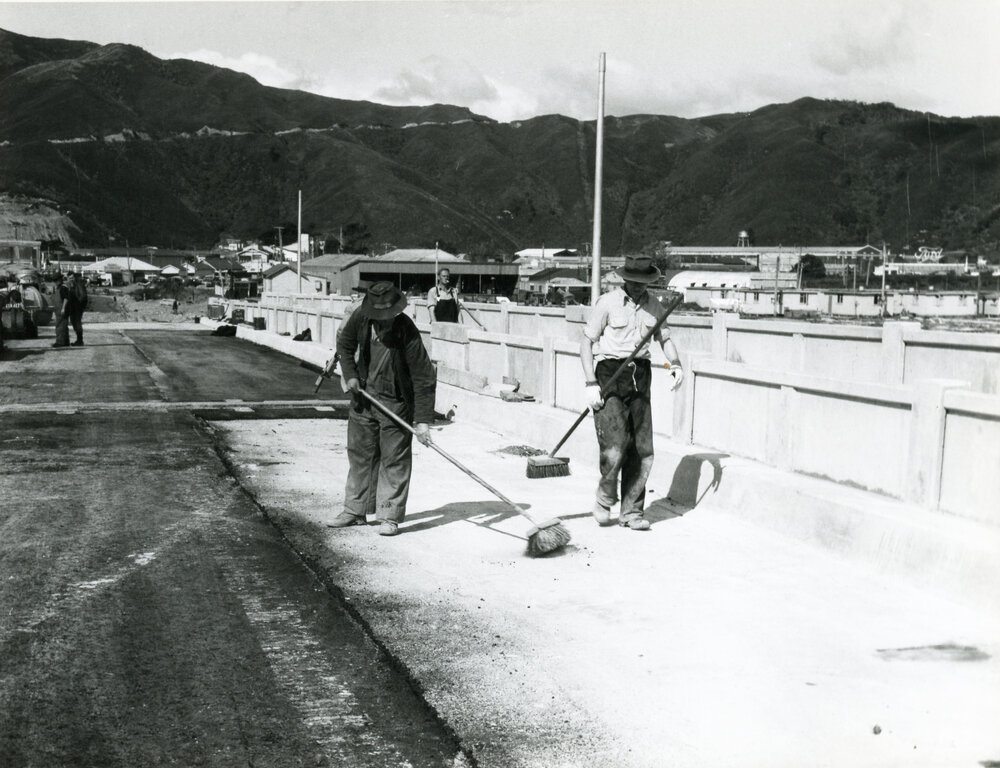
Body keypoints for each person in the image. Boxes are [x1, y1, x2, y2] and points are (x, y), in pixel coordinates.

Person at [579, 254, 684, 531]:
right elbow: (586, 342)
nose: (638, 287)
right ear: (625, 279)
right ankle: (604, 499)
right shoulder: (608, 302)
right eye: (633, 282)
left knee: (641, 449)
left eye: (643, 282)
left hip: (640, 375)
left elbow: (665, 338)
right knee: (615, 447)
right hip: (610, 374)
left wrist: (675, 364)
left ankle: (632, 512)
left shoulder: (654, 306)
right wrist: (590, 383)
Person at [331, 281, 437, 536]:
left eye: (387, 315)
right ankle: (355, 510)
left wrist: (422, 421)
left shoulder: (406, 331)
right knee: (360, 456)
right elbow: (344, 346)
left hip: (396, 402)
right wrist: (351, 375)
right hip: (364, 399)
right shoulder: (361, 318)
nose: (383, 320)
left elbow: (424, 378)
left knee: (394, 459)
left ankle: (389, 515)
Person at [66, 272, 86, 345]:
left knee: (77, 323)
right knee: (73, 322)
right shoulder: (70, 285)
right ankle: (79, 340)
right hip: (72, 307)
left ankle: (80, 340)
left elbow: (83, 296)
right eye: (69, 278)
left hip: (77, 307)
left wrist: (79, 304)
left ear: (74, 278)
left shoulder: (79, 284)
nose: (71, 279)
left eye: (72, 278)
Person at [52, 274, 71, 347]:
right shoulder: (59, 288)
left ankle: (60, 342)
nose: (55, 282)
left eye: (56, 280)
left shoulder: (63, 288)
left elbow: (66, 298)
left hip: (62, 309)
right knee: (64, 325)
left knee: (59, 326)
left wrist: (63, 308)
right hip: (59, 309)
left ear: (60, 280)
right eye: (54, 281)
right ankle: (66, 342)